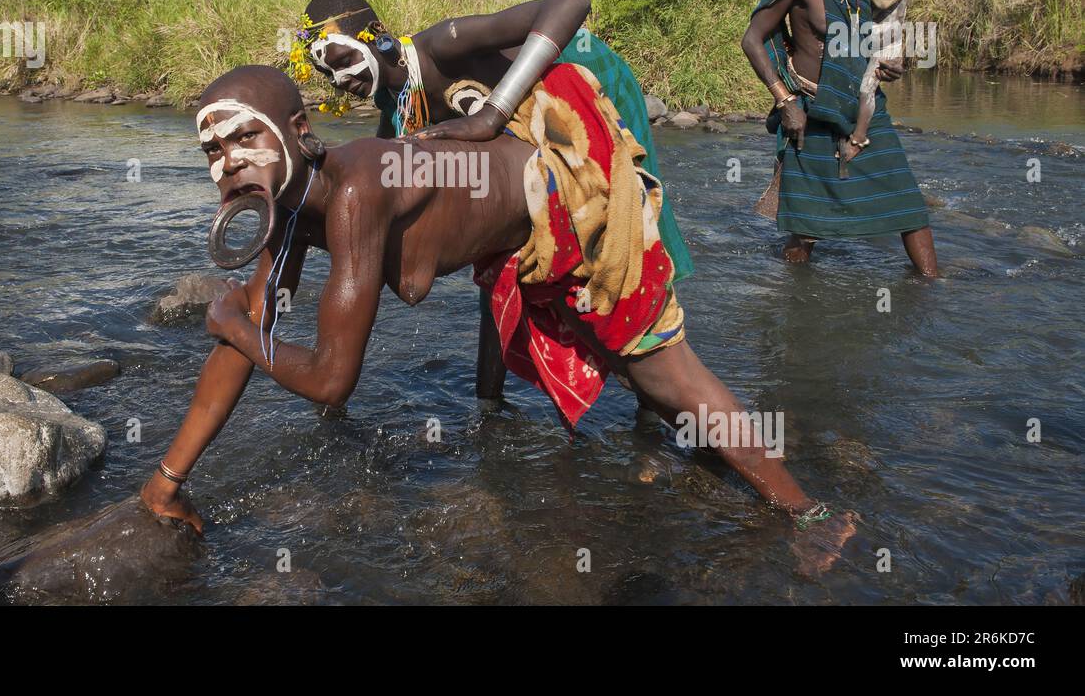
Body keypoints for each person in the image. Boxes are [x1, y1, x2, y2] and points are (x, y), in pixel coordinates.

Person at [139, 64, 855, 570]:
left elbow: (328, 379)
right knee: (639, 376)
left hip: (572, 198)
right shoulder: (292, 208)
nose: (228, 162)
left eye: (243, 139)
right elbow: (248, 330)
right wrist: (167, 480)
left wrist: (233, 323)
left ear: (298, 132)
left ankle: (810, 512)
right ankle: (712, 464)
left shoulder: (356, 192)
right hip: (516, 232)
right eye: (212, 150)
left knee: (664, 370)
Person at [290, 0, 696, 399]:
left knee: (634, 222)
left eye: (341, 61)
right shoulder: (395, 104)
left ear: (377, 35)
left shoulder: (443, 44)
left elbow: (570, 4)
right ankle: (489, 404)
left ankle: (660, 383)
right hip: (526, 131)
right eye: (328, 75)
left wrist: (492, 113)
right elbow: (380, 178)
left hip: (585, 79)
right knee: (494, 256)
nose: (340, 79)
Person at [740, 0, 937, 276]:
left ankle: (935, 287)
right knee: (805, 223)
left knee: (907, 203)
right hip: (810, 108)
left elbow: (877, 39)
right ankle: (795, 298)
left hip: (864, 104)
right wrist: (785, 101)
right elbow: (753, 39)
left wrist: (894, 67)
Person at [845, 0, 916, 166]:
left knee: (867, 88)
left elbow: (882, 1)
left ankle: (859, 138)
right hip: (866, 39)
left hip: (887, 45)